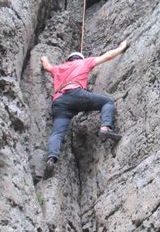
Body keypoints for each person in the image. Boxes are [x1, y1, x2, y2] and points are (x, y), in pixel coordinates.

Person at [41, 40, 129, 174]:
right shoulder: (84, 62)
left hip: (59, 102)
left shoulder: (58, 68)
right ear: (79, 58)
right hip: (76, 93)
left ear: (68, 59)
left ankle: (51, 159)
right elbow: (107, 56)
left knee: (57, 133)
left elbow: (47, 66)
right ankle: (105, 128)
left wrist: (43, 58)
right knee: (107, 102)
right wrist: (121, 47)